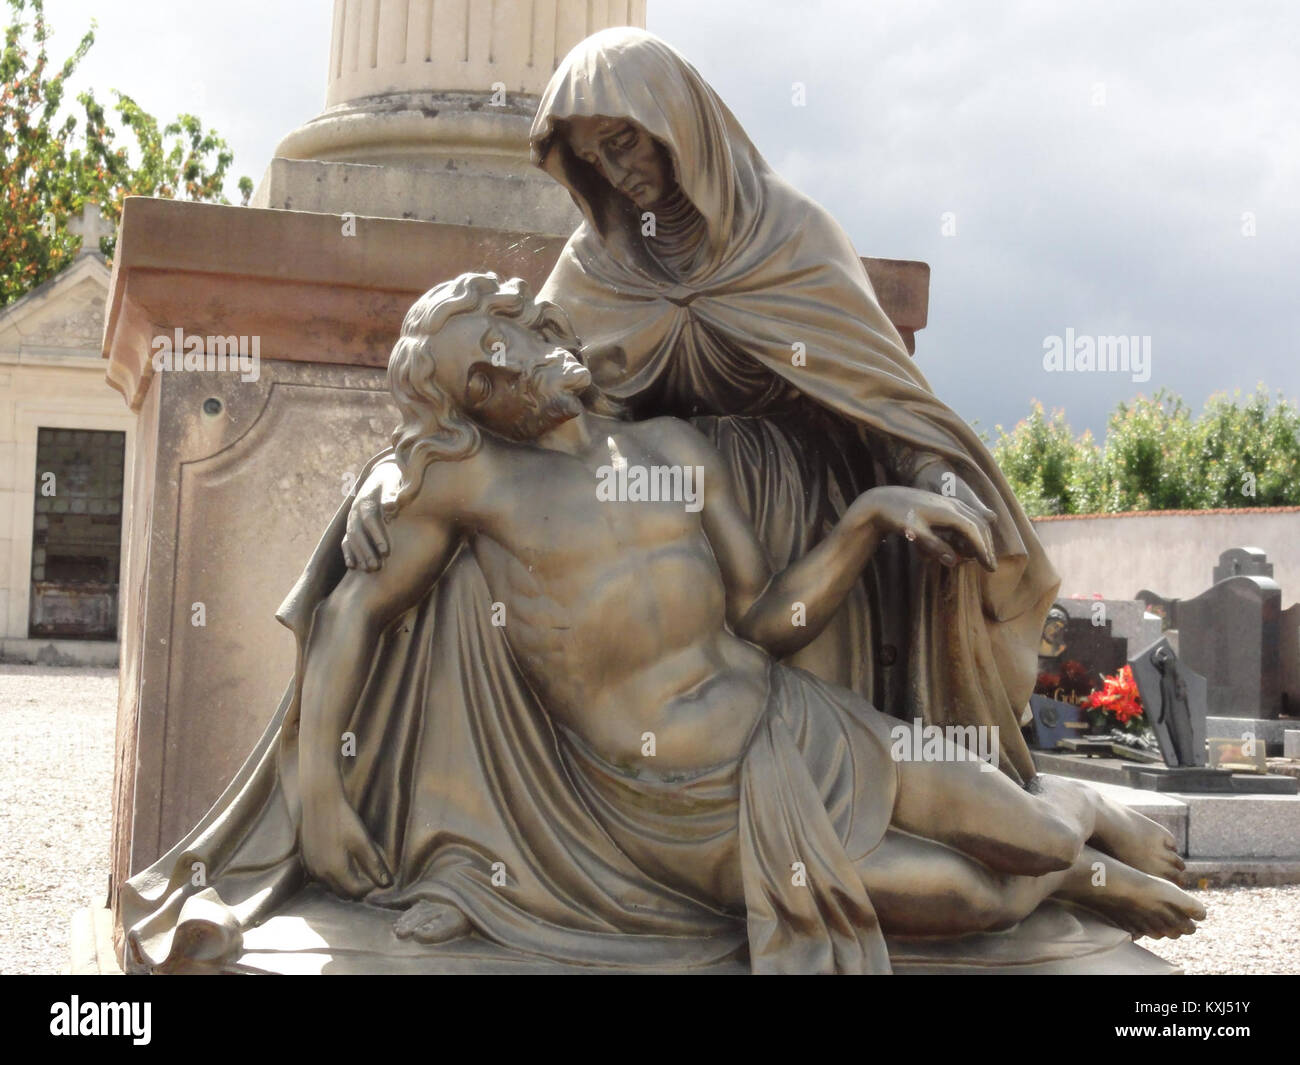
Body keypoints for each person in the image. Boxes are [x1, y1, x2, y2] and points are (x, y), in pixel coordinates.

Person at [307, 273, 1198, 971]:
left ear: (535, 321)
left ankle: (1085, 816)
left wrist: (871, 516)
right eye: (477, 375)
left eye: (497, 336)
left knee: (1034, 832)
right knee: (977, 899)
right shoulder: (475, 484)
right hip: (684, 805)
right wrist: (322, 790)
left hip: (795, 719)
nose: (502, 367)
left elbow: (767, 621)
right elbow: (354, 615)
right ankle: (1087, 875)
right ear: (468, 409)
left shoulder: (671, 453)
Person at [346, 29, 1059, 784]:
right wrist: (394, 470)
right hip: (652, 522)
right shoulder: (596, 265)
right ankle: (463, 836)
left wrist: (937, 480)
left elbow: (889, 405)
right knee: (460, 571)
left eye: (626, 141)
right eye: (593, 156)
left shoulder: (790, 238)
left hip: (789, 524)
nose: (617, 170)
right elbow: (517, 390)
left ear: (677, 123)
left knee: (810, 775)